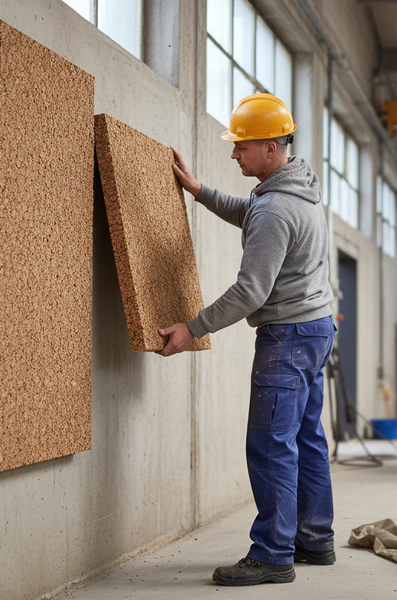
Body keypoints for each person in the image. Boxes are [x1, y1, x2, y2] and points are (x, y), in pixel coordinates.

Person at [158, 93, 336, 586]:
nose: (234, 154)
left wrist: (191, 327)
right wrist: (198, 190)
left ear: (272, 148)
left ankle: (274, 554)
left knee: (270, 444)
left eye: (242, 146)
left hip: (288, 336)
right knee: (304, 438)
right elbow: (250, 213)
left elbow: (249, 290)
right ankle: (314, 539)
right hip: (316, 327)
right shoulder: (292, 191)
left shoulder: (276, 208)